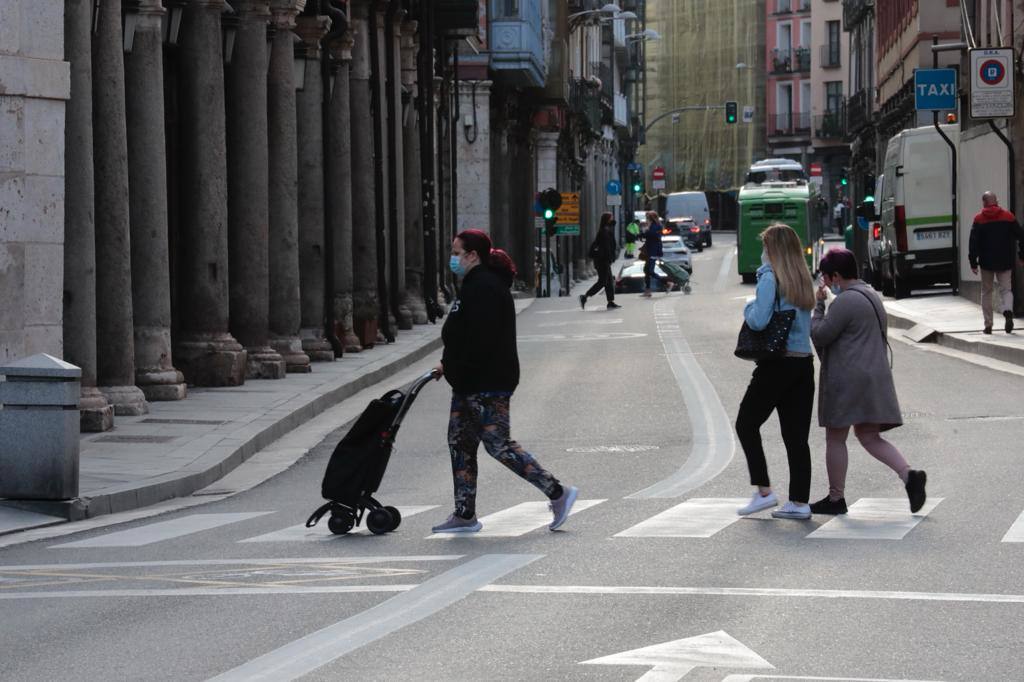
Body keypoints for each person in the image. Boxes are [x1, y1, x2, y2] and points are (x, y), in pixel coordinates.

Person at [432, 229, 579, 533]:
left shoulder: (485, 287)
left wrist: (458, 366)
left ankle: (558, 492)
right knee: (460, 443)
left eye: (457, 253)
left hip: (486, 382)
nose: (453, 258)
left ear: (473, 255)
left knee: (498, 445)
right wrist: (448, 364)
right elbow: (460, 334)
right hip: (467, 382)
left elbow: (480, 339)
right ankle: (464, 513)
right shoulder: (473, 285)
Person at [809, 248, 927, 515]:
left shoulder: (846, 301)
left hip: (848, 378)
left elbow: (821, 334)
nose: (826, 282)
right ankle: (909, 476)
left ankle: (836, 498)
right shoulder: (871, 295)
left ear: (836, 276)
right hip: (874, 376)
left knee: (835, 438)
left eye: (827, 277)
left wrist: (818, 306)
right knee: (869, 436)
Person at [735, 224, 817, 520]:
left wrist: (748, 307)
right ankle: (799, 502)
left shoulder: (769, 276)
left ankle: (764, 491)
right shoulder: (802, 278)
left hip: (776, 363)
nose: (761, 252)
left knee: (746, 423)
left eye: (764, 247)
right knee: (796, 437)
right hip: (803, 364)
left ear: (773, 250)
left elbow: (758, 320)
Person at [968, 191, 1024, 334]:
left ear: (984, 203)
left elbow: (973, 243)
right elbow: (1021, 236)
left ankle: (988, 325)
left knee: (986, 291)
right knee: (1006, 289)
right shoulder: (1008, 216)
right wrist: (1021, 255)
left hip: (986, 262)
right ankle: (1008, 312)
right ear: (996, 202)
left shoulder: (979, 219)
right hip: (1005, 260)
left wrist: (973, 262)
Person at [580, 212, 621, 310]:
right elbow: (607, 247)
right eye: (611, 218)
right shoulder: (604, 231)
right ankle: (585, 296)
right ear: (607, 220)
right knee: (603, 281)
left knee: (609, 281)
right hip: (602, 261)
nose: (613, 220)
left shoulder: (606, 230)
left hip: (604, 260)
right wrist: (610, 258)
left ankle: (610, 302)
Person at [641, 211, 672, 297]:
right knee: (646, 270)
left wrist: (644, 232)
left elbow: (651, 235)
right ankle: (647, 290)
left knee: (650, 271)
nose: (646, 219)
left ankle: (668, 283)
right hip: (651, 251)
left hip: (653, 251)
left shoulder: (655, 226)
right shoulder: (653, 226)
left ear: (651, 218)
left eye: (647, 218)